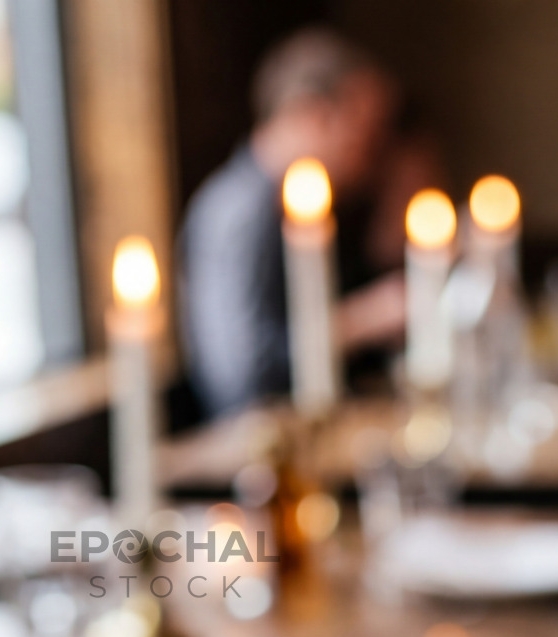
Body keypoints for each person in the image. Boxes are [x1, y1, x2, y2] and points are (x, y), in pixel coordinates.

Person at [179, 28, 438, 417]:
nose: (369, 162)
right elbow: (241, 378)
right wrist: (357, 322)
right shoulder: (237, 213)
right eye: (363, 138)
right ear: (313, 116)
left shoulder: (328, 209)